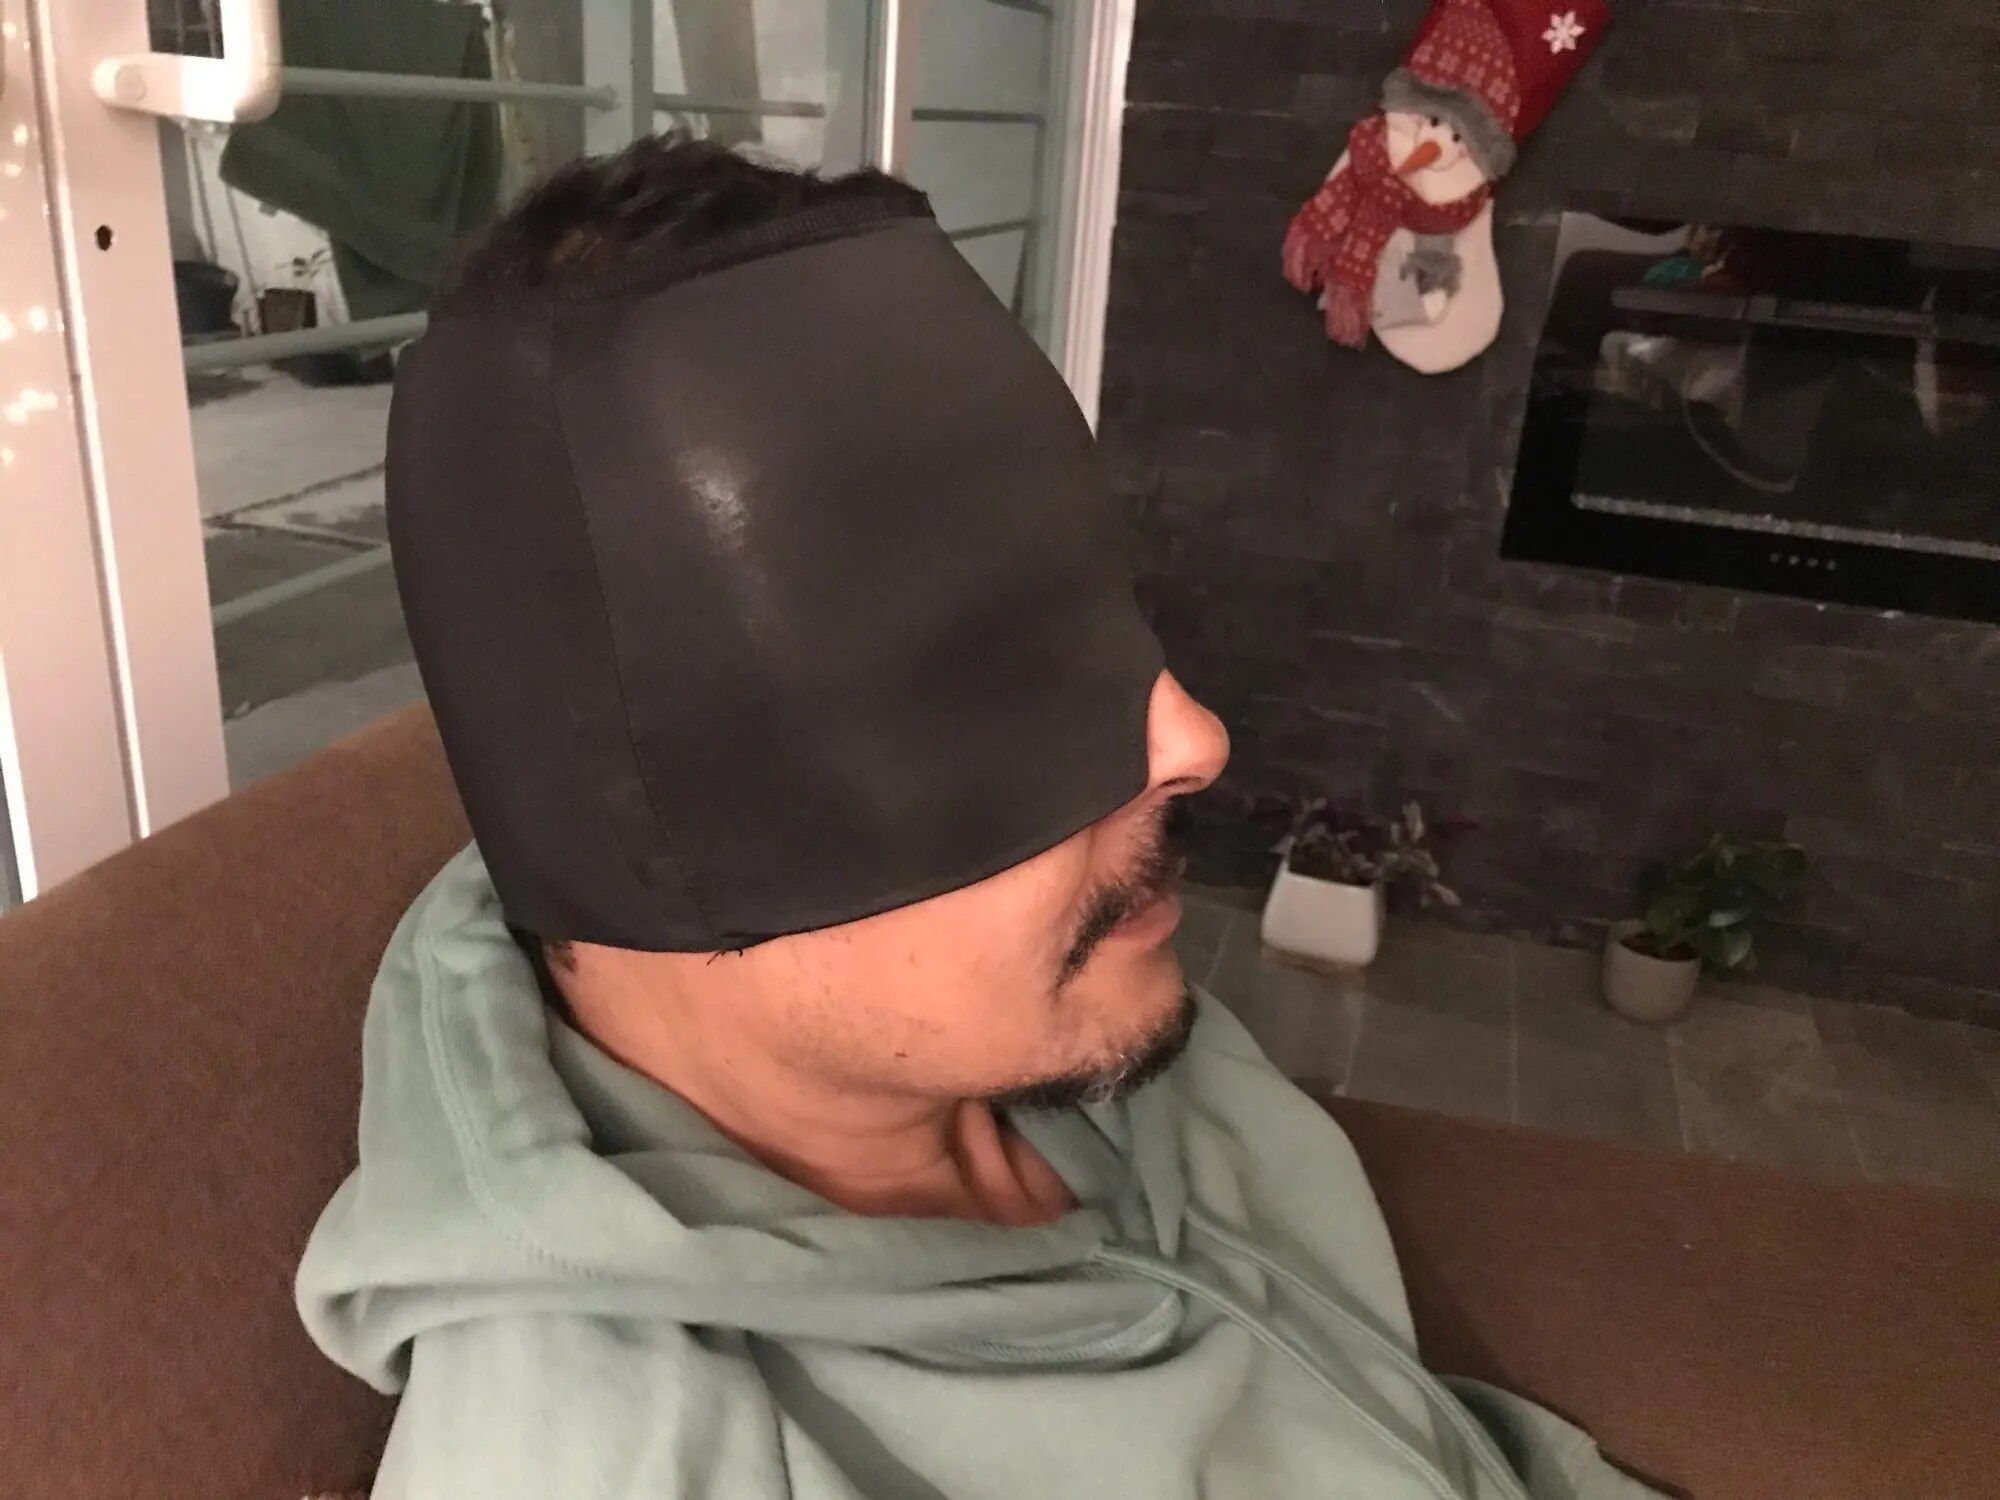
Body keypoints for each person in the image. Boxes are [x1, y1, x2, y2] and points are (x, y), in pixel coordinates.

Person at [297, 133, 1659, 1499]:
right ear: (643, 839)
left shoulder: (1044, 1037)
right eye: (989, 681)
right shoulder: (621, 1458)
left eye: (1105, 619)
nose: (1193, 741)